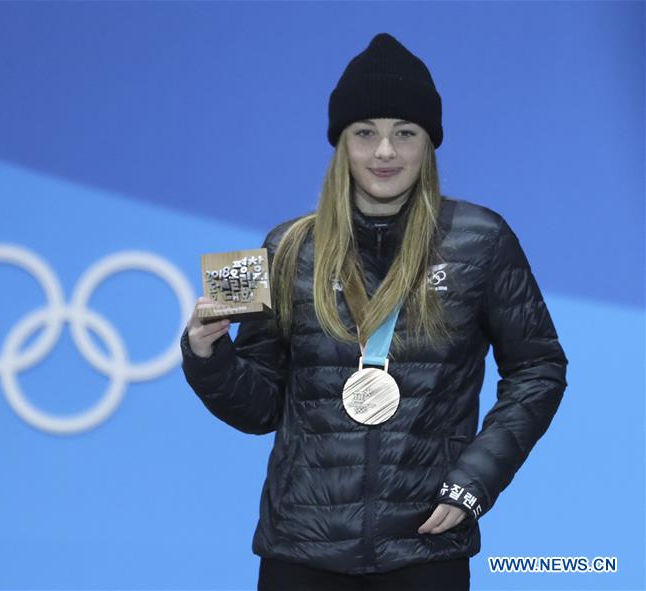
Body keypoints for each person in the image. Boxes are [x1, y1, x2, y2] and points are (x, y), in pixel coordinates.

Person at [180, 32, 569, 591]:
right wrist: (208, 356)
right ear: (341, 144)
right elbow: (260, 410)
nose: (385, 152)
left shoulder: (481, 241)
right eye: (365, 133)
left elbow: (539, 368)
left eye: (404, 133)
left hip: (425, 546)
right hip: (301, 550)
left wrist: (474, 481)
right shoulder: (287, 248)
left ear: (428, 144)